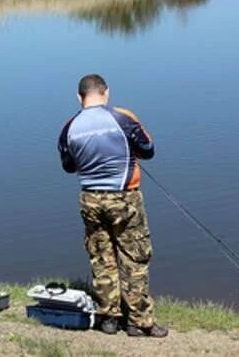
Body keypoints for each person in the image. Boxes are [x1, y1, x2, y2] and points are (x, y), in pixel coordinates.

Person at [57, 74, 168, 337]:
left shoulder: (69, 127)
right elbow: (148, 149)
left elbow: (68, 166)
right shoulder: (122, 117)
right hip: (124, 197)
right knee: (134, 257)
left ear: (79, 97)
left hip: (91, 200)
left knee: (102, 257)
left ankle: (108, 318)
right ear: (106, 93)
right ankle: (138, 322)